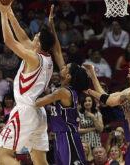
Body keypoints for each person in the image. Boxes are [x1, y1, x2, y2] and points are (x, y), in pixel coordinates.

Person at [0, 1, 55, 165]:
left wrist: (3, 14)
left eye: (35, 37)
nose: (32, 38)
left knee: (0, 156)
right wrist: (9, 10)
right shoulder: (46, 58)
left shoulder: (34, 58)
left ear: (39, 44)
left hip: (25, 110)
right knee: (40, 161)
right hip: (39, 113)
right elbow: (21, 37)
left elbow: (9, 41)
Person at [35, 5, 90, 165]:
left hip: (68, 136)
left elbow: (38, 103)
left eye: (66, 67)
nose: (63, 66)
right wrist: (52, 25)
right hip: (60, 136)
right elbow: (57, 51)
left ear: (68, 76)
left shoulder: (63, 92)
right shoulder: (66, 86)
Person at [84, 61, 130, 165]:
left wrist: (90, 92)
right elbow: (105, 95)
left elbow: (110, 101)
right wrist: (92, 74)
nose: (129, 68)